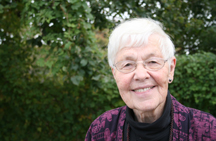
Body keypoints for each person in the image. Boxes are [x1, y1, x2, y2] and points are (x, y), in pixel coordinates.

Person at [85, 18, 216, 141]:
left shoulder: (208, 130)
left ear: (171, 69)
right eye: (128, 65)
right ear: (115, 74)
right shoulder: (101, 130)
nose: (141, 75)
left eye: (152, 62)